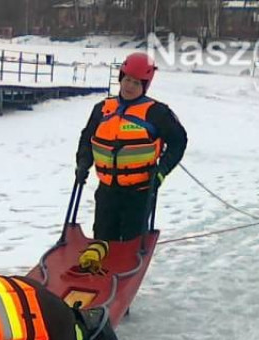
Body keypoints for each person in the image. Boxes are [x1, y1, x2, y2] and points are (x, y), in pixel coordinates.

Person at [75, 52, 188, 257]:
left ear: (145, 85)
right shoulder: (102, 109)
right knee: (102, 241)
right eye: (127, 80)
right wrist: (83, 162)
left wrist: (161, 172)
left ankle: (126, 281)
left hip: (139, 194)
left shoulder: (158, 113)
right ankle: (99, 280)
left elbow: (178, 142)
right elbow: (87, 138)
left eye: (136, 83)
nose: (129, 86)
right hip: (107, 191)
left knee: (130, 246)